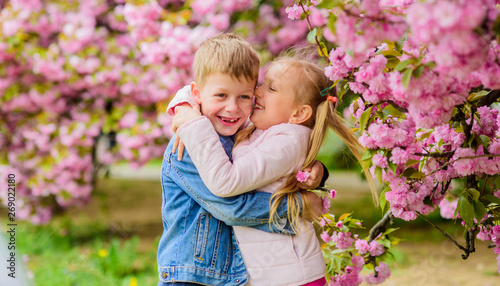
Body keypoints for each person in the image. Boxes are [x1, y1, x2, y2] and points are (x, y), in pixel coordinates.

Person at [171, 50, 377, 285]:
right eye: (262, 84)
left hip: (290, 277)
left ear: (298, 113)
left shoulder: (288, 140)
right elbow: (210, 85)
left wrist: (194, 125)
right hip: (268, 273)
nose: (257, 92)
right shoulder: (265, 128)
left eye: (271, 88)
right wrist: (184, 107)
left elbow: (225, 182)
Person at [157, 34, 325, 286]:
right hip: (190, 275)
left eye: (244, 97)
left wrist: (318, 170)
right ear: (198, 94)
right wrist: (298, 205)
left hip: (229, 275)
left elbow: (278, 155)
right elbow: (232, 209)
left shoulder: (241, 130)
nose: (233, 108)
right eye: (221, 96)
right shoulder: (188, 146)